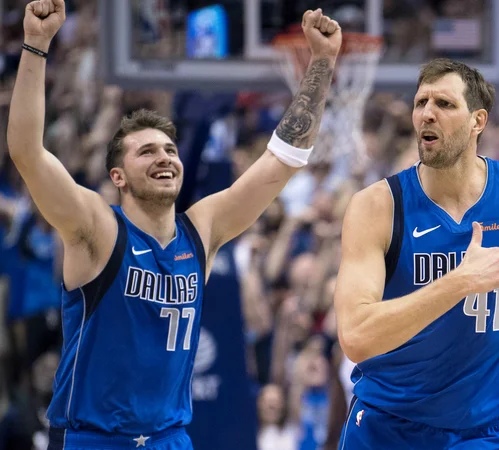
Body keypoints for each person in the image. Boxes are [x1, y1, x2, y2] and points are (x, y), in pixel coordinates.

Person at [7, 1, 342, 449]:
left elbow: (282, 161)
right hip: (94, 438)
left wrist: (321, 63)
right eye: (146, 152)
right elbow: (28, 152)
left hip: (171, 438)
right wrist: (36, 46)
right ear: (118, 177)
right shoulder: (98, 229)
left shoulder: (200, 230)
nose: (164, 157)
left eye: (169, 149)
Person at [334, 58, 499, 449]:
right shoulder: (377, 207)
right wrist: (459, 282)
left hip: (482, 432)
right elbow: (355, 336)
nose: (427, 114)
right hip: (386, 426)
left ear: (478, 121)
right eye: (421, 102)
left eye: (444, 104)